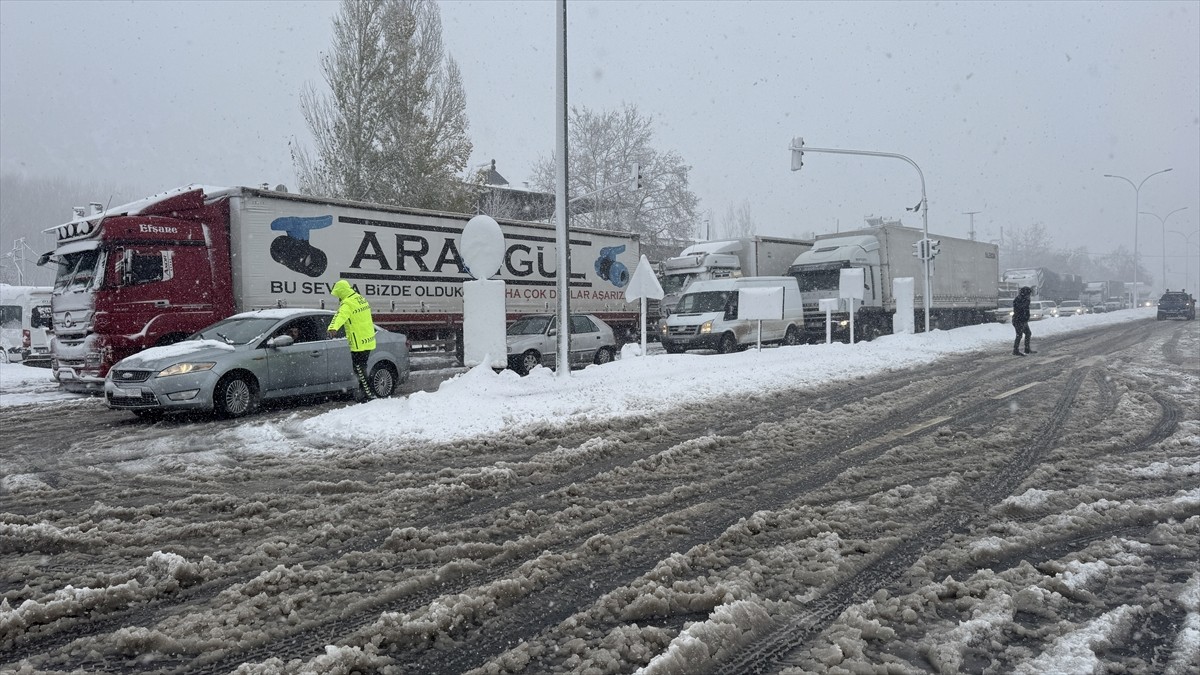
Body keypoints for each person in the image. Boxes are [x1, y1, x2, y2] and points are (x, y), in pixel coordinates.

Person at [327, 279, 377, 400]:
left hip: (358, 341)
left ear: (342, 292)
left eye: (338, 294)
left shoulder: (348, 303)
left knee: (359, 368)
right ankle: (365, 392)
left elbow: (340, 316)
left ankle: (368, 395)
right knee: (362, 367)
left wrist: (332, 328)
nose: (338, 297)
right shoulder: (360, 299)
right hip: (368, 338)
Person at [1011, 286, 1036, 356]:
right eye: (1028, 294)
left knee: (1028, 333)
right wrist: (1024, 317)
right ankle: (1015, 350)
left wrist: (1026, 317)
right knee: (1019, 335)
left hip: (1023, 320)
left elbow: (1026, 310)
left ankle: (1027, 349)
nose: (1029, 296)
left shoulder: (1025, 299)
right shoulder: (1018, 300)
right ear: (1025, 293)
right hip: (1018, 320)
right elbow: (1020, 310)